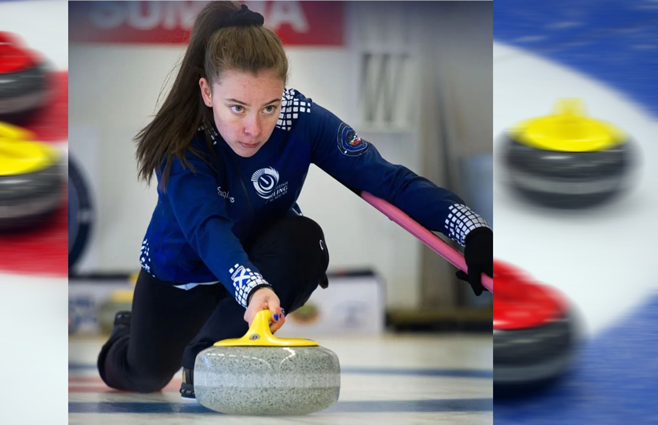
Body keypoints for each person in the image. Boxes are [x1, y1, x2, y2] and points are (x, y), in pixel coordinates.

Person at [97, 1, 493, 399]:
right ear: (207, 91)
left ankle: (207, 357)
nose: (254, 128)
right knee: (142, 376)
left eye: (269, 107)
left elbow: (388, 181)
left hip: (255, 261)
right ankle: (127, 331)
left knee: (304, 241)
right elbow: (208, 231)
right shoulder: (183, 145)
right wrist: (252, 289)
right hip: (184, 274)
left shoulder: (301, 118)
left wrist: (470, 228)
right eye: (237, 108)